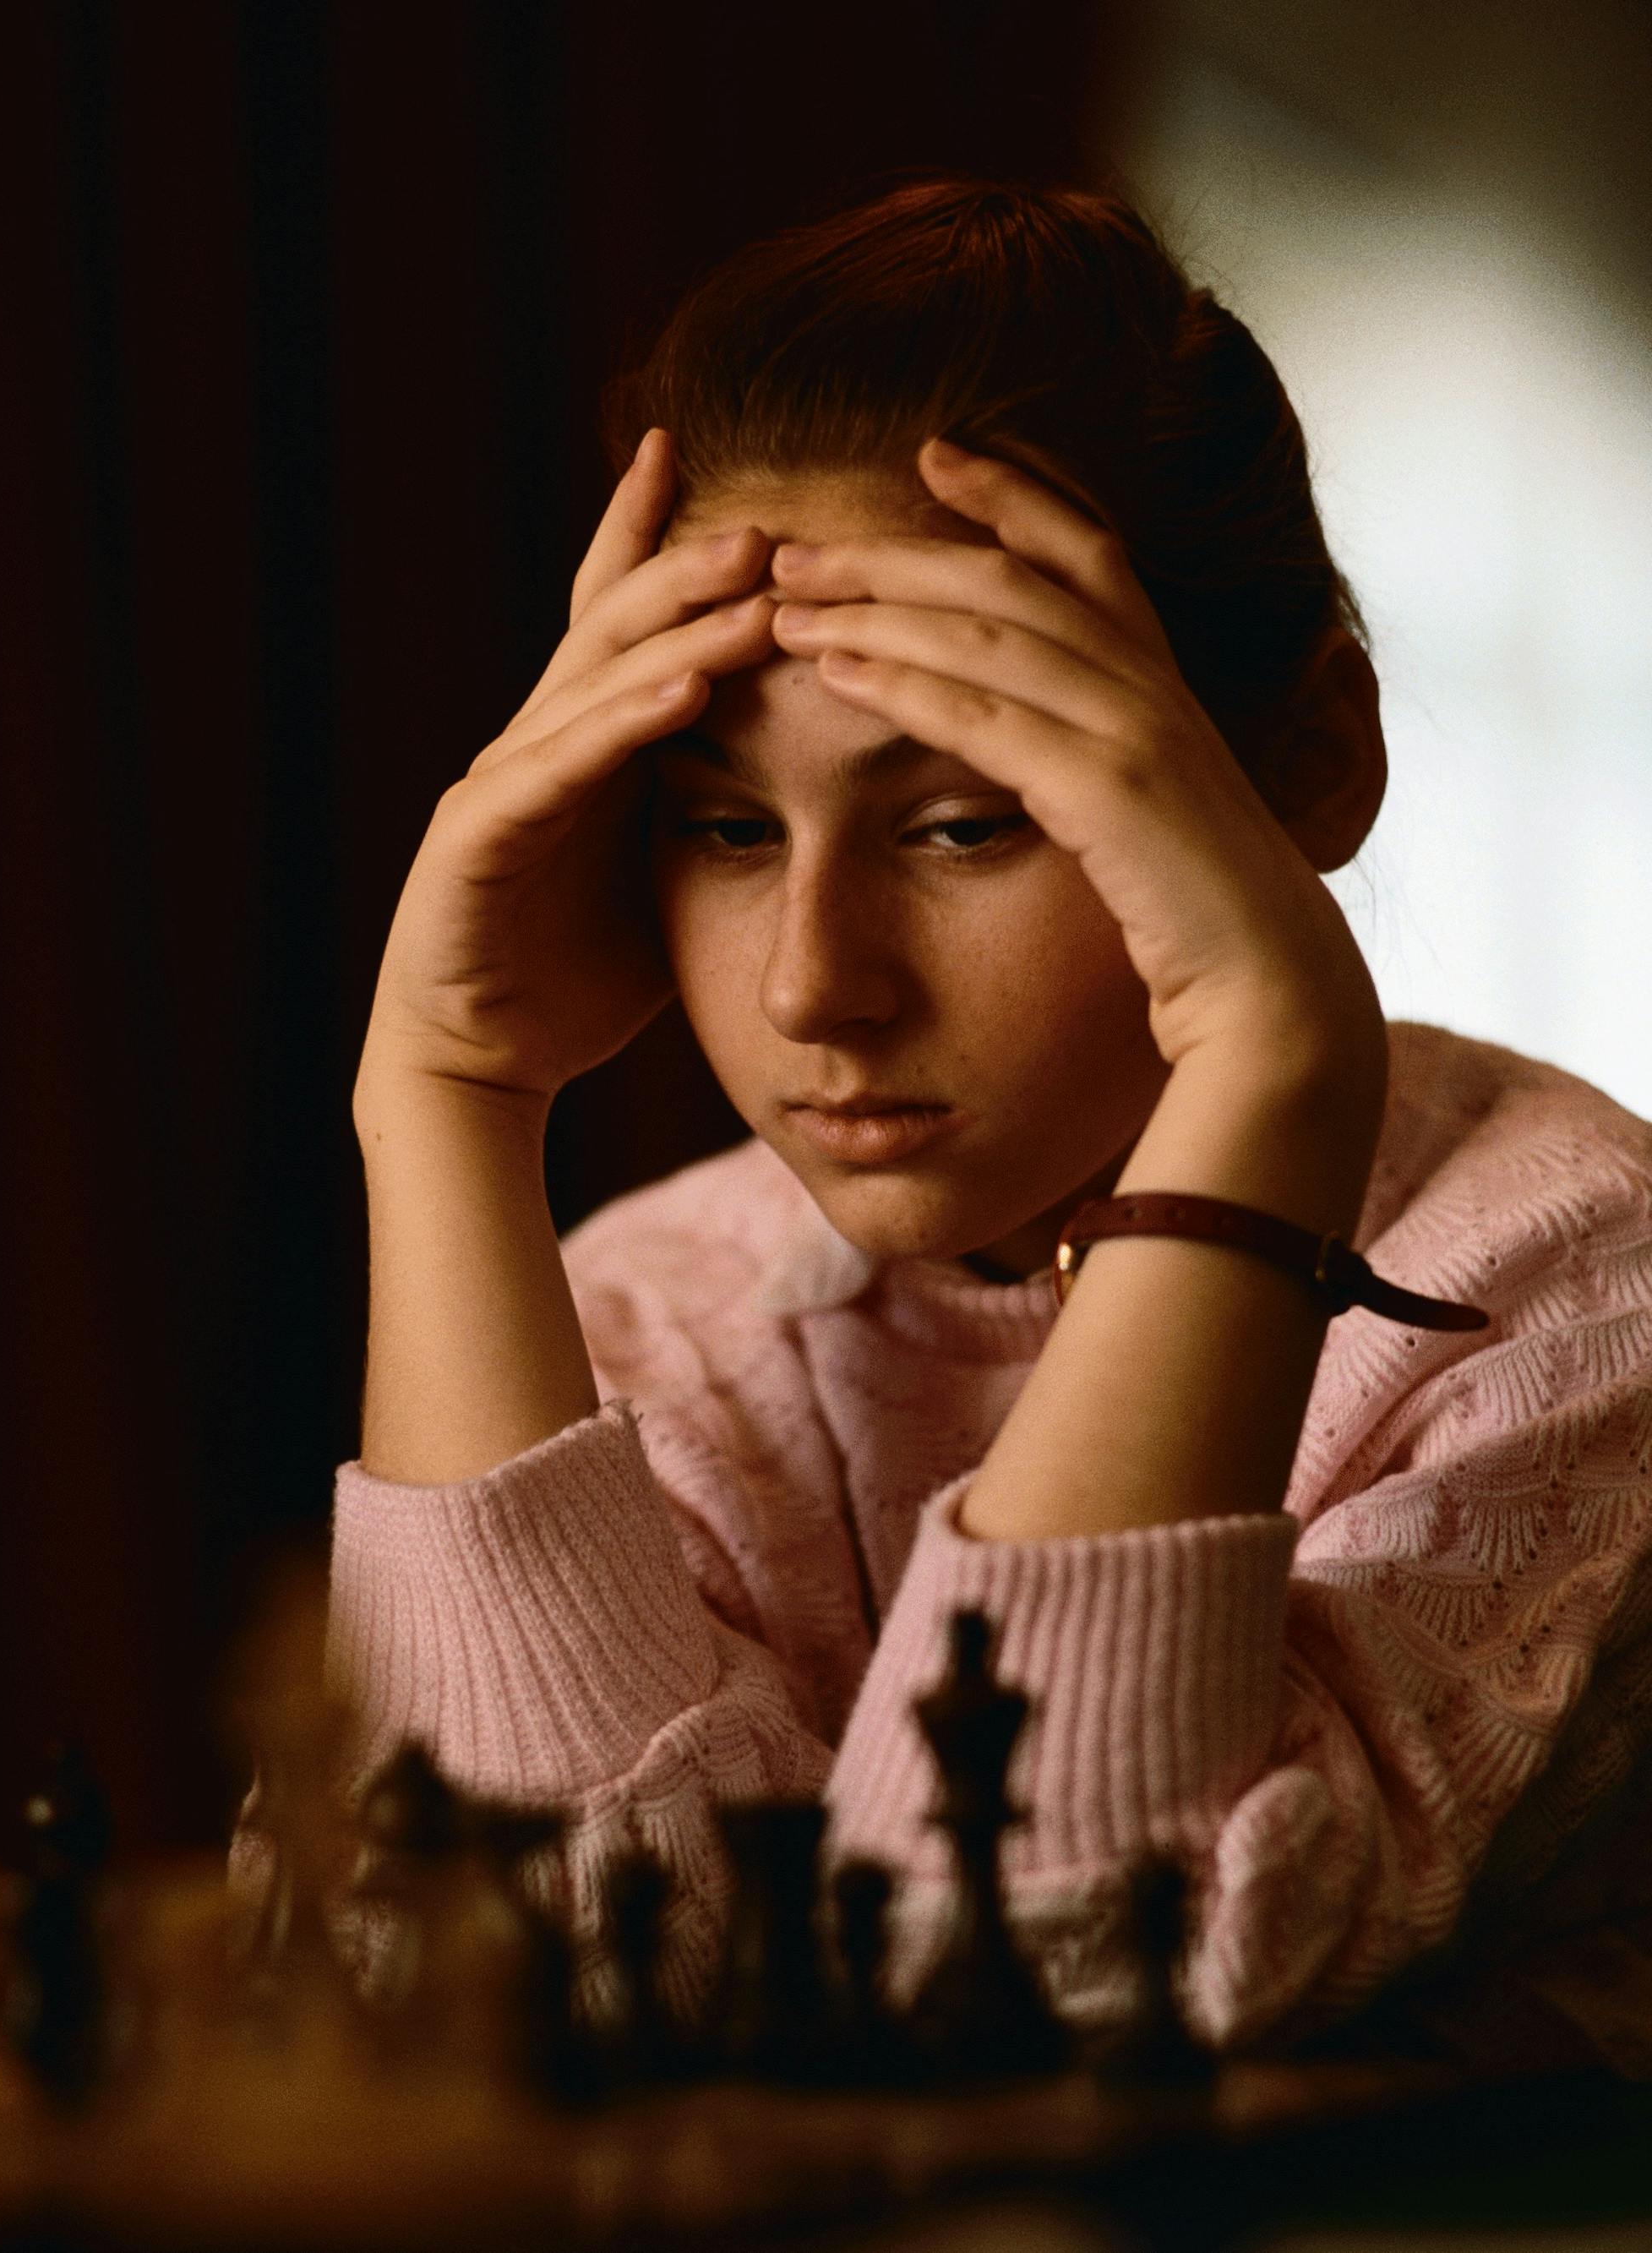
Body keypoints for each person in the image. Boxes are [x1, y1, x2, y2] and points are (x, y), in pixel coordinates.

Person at [257, 179, 1652, 2053]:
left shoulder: (1576, 1272)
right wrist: (437, 1095)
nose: (813, 985)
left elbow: (1041, 1983)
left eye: (958, 822)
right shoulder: (645, 1301)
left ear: (1304, 764)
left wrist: (1266, 1066)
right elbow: (502, 1996)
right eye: (726, 825)